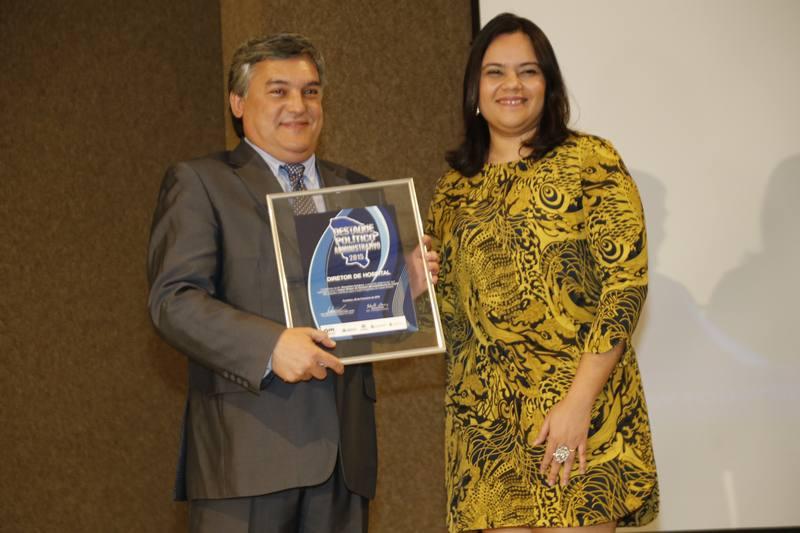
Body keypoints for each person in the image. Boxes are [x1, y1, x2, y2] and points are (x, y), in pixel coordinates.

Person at [147, 33, 437, 533]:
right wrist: (270, 346)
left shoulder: (356, 189)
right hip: (246, 458)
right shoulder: (201, 183)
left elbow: (356, 320)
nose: (299, 106)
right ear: (239, 103)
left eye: (311, 92)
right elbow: (174, 301)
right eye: (278, 91)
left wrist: (400, 290)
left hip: (344, 467)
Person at [426, 13, 658, 533]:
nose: (512, 84)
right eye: (495, 72)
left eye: (528, 71)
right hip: (485, 432)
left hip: (578, 417)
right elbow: (453, 320)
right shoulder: (453, 189)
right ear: (474, 89)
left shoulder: (591, 162)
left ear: (548, 85)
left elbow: (625, 287)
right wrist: (415, 285)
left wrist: (577, 405)